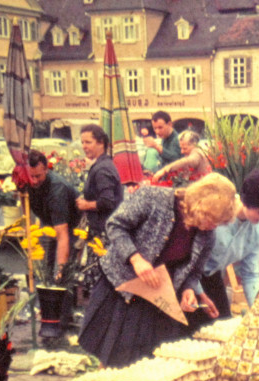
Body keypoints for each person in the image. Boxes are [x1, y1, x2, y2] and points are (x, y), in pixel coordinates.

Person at [78, 173, 237, 368]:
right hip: (122, 287)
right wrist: (135, 258)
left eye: (218, 223)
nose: (213, 226)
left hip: (157, 296)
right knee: (112, 355)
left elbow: (195, 271)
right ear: (200, 204)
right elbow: (115, 226)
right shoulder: (153, 198)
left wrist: (188, 289)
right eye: (212, 218)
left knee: (147, 360)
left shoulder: (207, 235)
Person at [187, 168, 259, 381]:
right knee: (194, 343)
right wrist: (193, 289)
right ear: (245, 201)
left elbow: (250, 272)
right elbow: (193, 259)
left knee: (221, 345)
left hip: (213, 278)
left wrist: (256, 310)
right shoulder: (221, 217)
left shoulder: (255, 228)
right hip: (190, 278)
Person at [76, 124, 124, 289]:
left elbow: (107, 201)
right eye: (82, 142)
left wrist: (86, 204)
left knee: (99, 282)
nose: (84, 146)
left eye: (88, 142)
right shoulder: (102, 165)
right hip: (100, 232)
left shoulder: (103, 169)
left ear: (101, 143)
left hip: (103, 234)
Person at [28, 149, 80, 277]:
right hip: (47, 223)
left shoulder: (57, 189)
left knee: (62, 273)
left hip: (70, 227)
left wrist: (60, 271)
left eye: (38, 176)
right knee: (43, 270)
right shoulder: (26, 181)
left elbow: (62, 235)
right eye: (31, 176)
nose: (34, 181)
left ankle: (63, 289)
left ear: (46, 169)